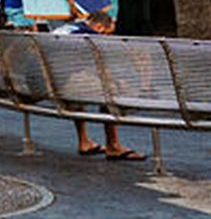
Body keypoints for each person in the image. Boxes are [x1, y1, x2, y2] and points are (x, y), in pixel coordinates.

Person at [54, 10, 144, 160]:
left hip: (45, 83)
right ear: (100, 27)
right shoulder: (90, 36)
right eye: (107, 34)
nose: (106, 38)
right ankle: (113, 146)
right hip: (63, 85)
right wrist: (120, 83)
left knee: (81, 84)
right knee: (110, 89)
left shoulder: (68, 28)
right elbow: (97, 67)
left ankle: (84, 141)